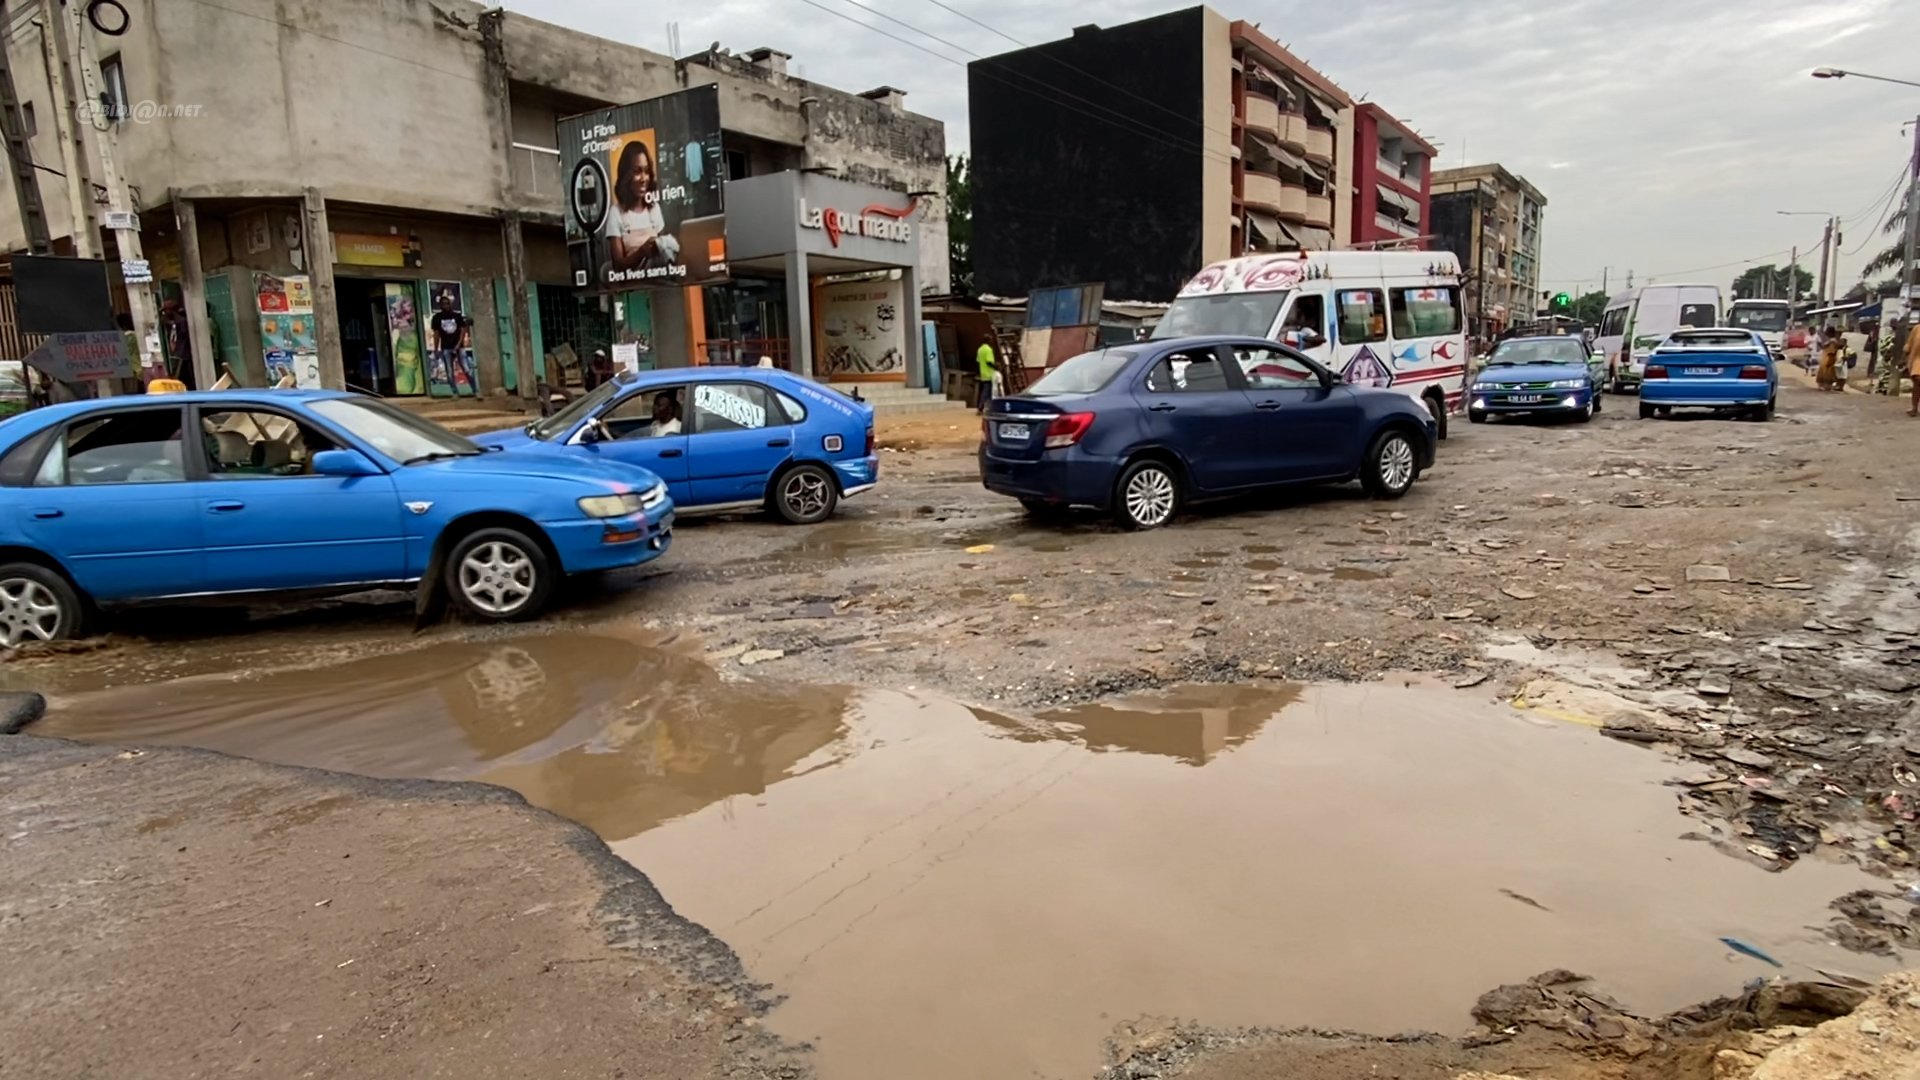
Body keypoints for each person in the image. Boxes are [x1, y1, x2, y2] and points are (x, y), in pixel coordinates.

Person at [604, 141, 679, 274]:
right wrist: (642, 252)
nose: (643, 179)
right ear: (626, 175)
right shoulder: (616, 213)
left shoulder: (654, 209)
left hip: (658, 279)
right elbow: (618, 266)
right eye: (637, 172)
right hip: (632, 284)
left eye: (646, 171)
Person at [429, 294, 470, 389]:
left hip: (459, 347)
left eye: (447, 304)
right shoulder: (437, 318)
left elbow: (462, 331)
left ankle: (475, 390)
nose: (445, 306)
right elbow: (436, 334)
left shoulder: (456, 316)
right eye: (443, 304)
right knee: (449, 372)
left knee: (466, 369)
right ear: (440, 306)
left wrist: (459, 344)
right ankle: (454, 392)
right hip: (446, 347)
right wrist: (436, 348)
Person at [974, 337, 998, 412]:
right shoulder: (988, 349)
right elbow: (989, 362)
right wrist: (996, 367)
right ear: (989, 341)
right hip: (989, 374)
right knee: (988, 391)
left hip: (983, 373)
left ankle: (989, 407)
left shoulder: (980, 349)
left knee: (987, 391)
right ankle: (981, 407)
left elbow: (978, 362)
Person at [1906, 317, 1920, 417]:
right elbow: (1908, 345)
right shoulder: (1917, 329)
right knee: (1917, 383)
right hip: (1917, 360)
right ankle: (1914, 407)